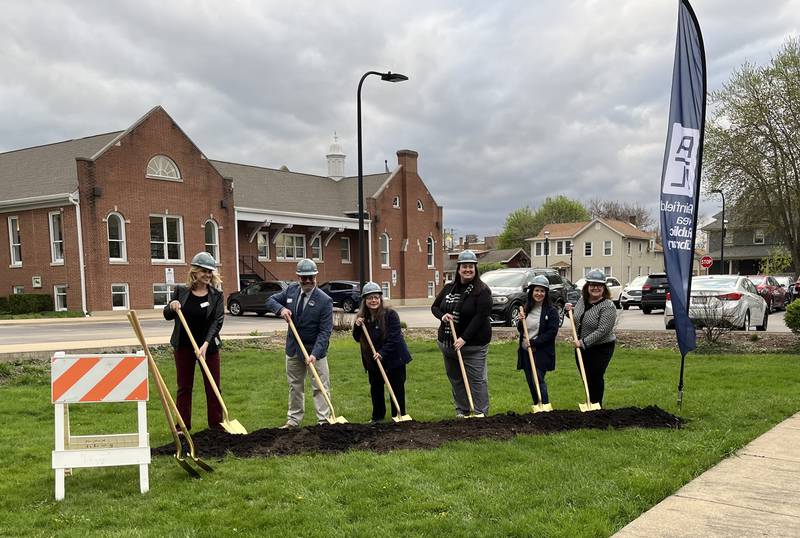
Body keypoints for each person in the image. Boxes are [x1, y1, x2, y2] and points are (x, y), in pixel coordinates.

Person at [266, 258, 333, 428]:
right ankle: (293, 421)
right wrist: (281, 309)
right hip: (294, 349)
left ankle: (323, 421)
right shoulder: (291, 291)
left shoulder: (324, 301)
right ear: (298, 277)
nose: (308, 281)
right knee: (295, 386)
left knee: (320, 386)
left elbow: (325, 332)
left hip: (315, 351)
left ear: (315, 276)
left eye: (311, 277)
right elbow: (270, 301)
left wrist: (314, 354)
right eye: (304, 278)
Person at [163, 251, 225, 431]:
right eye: (204, 271)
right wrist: (171, 306)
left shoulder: (216, 295)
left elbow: (217, 321)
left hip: (209, 347)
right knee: (184, 387)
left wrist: (205, 345)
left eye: (210, 271)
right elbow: (167, 315)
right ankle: (183, 426)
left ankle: (216, 425)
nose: (207, 275)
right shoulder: (181, 291)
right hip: (184, 346)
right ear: (195, 272)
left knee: (213, 387)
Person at [431, 250, 492, 417]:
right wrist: (442, 315)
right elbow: (435, 307)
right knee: (456, 379)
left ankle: (480, 413)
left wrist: (464, 338)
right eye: (464, 266)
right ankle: (462, 411)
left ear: (475, 269)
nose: (468, 270)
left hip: (474, 346)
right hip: (448, 344)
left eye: (471, 266)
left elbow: (481, 317)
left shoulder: (482, 290)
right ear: (458, 269)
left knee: (477, 381)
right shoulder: (449, 288)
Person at [352, 282, 412, 423]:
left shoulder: (390, 314)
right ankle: (377, 417)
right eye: (370, 298)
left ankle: (398, 415)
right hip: (373, 359)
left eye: (376, 297)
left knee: (396, 388)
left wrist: (382, 353)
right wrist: (357, 326)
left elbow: (395, 337)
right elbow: (356, 338)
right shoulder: (362, 318)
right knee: (376, 388)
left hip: (394, 357)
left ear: (380, 299)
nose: (373, 301)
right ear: (364, 301)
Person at [564, 269, 617, 406]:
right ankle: (589, 401)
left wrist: (583, 342)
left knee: (595, 376)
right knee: (585, 376)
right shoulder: (582, 300)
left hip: (601, 348)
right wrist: (569, 311)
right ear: (587, 286)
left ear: (604, 288)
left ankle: (596, 405)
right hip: (581, 347)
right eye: (592, 284)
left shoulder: (608, 306)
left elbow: (603, 330)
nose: (595, 288)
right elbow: (578, 318)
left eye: (599, 285)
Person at [515, 275, 559, 407]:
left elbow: (552, 332)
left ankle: (545, 407)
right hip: (525, 352)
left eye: (542, 291)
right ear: (531, 291)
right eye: (536, 290)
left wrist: (534, 343)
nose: (539, 294)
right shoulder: (527, 308)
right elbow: (522, 329)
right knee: (531, 382)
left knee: (538, 381)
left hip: (541, 352)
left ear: (546, 293)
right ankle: (537, 406)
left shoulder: (551, 311)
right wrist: (520, 320)